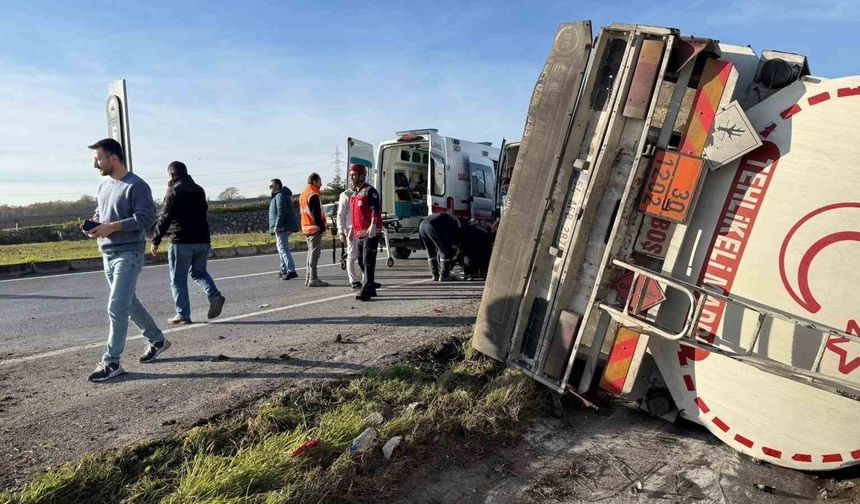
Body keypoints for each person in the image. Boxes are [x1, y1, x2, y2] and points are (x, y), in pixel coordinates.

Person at [84, 138, 169, 382]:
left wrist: (112, 227)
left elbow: (146, 218)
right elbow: (102, 214)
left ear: (113, 158)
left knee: (117, 306)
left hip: (129, 254)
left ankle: (112, 362)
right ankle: (158, 340)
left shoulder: (137, 185)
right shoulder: (104, 186)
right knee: (129, 304)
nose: (95, 164)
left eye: (98, 159)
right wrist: (95, 225)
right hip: (107, 253)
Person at [151, 161, 226, 324]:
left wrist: (156, 239)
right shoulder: (199, 189)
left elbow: (165, 217)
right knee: (199, 272)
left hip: (181, 240)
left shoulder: (174, 190)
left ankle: (183, 314)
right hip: (202, 239)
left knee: (178, 279)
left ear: (171, 174)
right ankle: (215, 295)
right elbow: (203, 214)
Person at [349, 163, 382, 301]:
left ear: (361, 175)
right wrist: (351, 229)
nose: (351, 178)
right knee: (361, 261)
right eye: (350, 175)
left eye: (353, 175)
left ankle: (367, 289)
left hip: (370, 232)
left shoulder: (370, 191)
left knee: (368, 261)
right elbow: (354, 214)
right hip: (358, 233)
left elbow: (375, 209)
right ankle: (371, 285)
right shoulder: (355, 193)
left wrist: (373, 225)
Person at [299, 172, 329, 287]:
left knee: (310, 254)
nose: (321, 184)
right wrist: (322, 226)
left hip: (306, 227)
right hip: (314, 228)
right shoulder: (313, 194)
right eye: (320, 181)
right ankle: (313, 278)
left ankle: (308, 277)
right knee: (314, 254)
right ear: (315, 182)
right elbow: (315, 213)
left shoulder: (304, 194)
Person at [268, 178, 299, 280]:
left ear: (277, 185)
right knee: (280, 247)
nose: (270, 188)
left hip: (283, 226)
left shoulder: (280, 196)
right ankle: (284, 269)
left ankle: (291, 270)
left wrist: (277, 225)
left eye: (271, 186)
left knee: (282, 248)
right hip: (283, 226)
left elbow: (282, 211)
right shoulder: (279, 196)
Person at [418, 212, 461, 281]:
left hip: (422, 224)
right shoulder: (457, 224)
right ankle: (444, 275)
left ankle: (434, 275)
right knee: (444, 250)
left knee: (430, 251)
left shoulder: (450, 218)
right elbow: (452, 240)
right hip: (432, 225)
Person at [337, 185, 361, 289]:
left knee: (362, 254)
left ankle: (366, 279)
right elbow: (340, 215)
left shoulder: (363, 192)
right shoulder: (345, 195)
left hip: (361, 226)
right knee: (351, 255)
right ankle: (353, 280)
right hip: (350, 228)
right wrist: (341, 232)